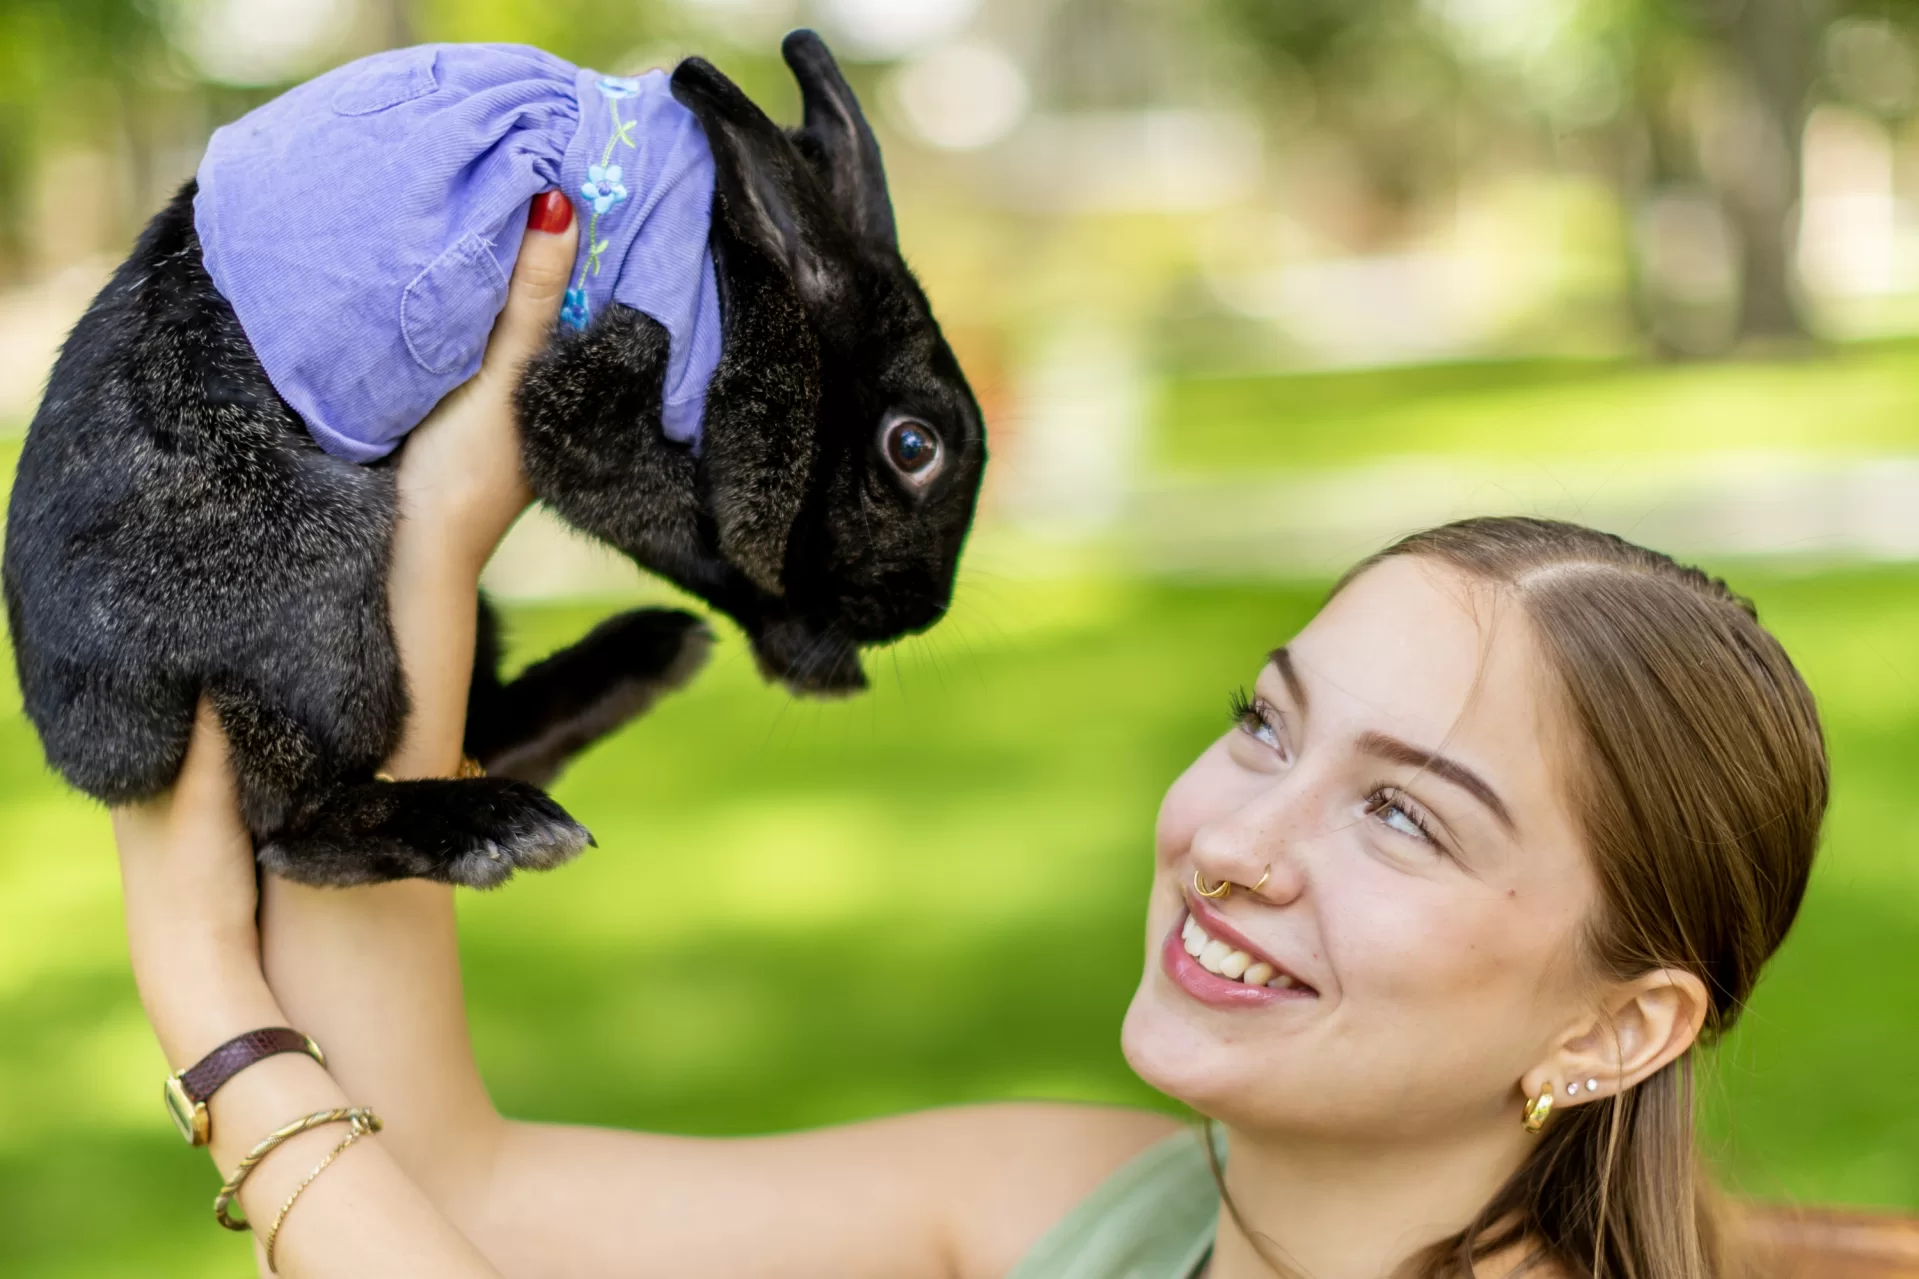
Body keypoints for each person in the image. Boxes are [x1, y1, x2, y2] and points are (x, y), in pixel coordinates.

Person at [114, 200, 1828, 1279]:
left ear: (1622, 1024)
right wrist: (434, 526)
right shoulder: (1094, 1205)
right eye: (1262, 725)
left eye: (1404, 817)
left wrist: (213, 1002)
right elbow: (453, 1187)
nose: (1230, 840)